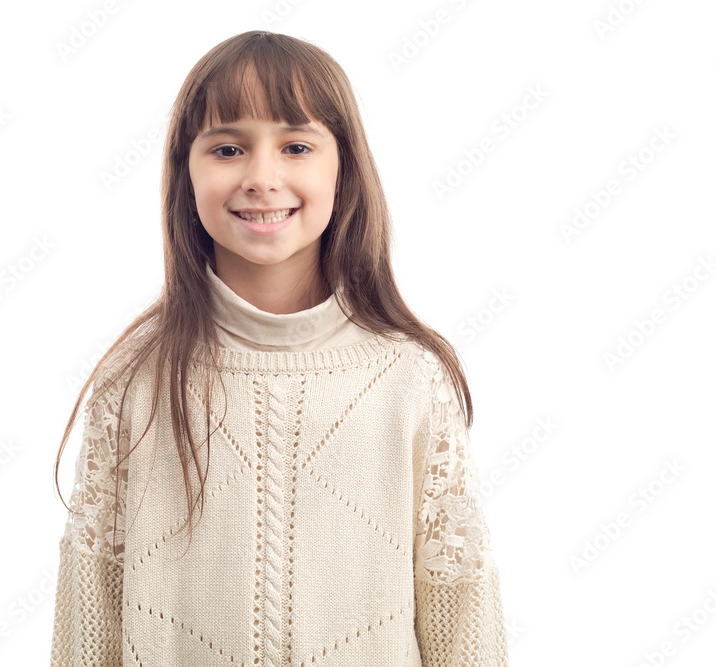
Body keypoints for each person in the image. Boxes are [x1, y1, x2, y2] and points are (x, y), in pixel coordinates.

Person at [50, 30, 509, 666]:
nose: (262, 178)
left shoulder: (409, 377)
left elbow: (460, 611)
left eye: (296, 146)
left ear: (342, 166)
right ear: (185, 170)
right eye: (228, 147)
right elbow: (88, 609)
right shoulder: (136, 379)